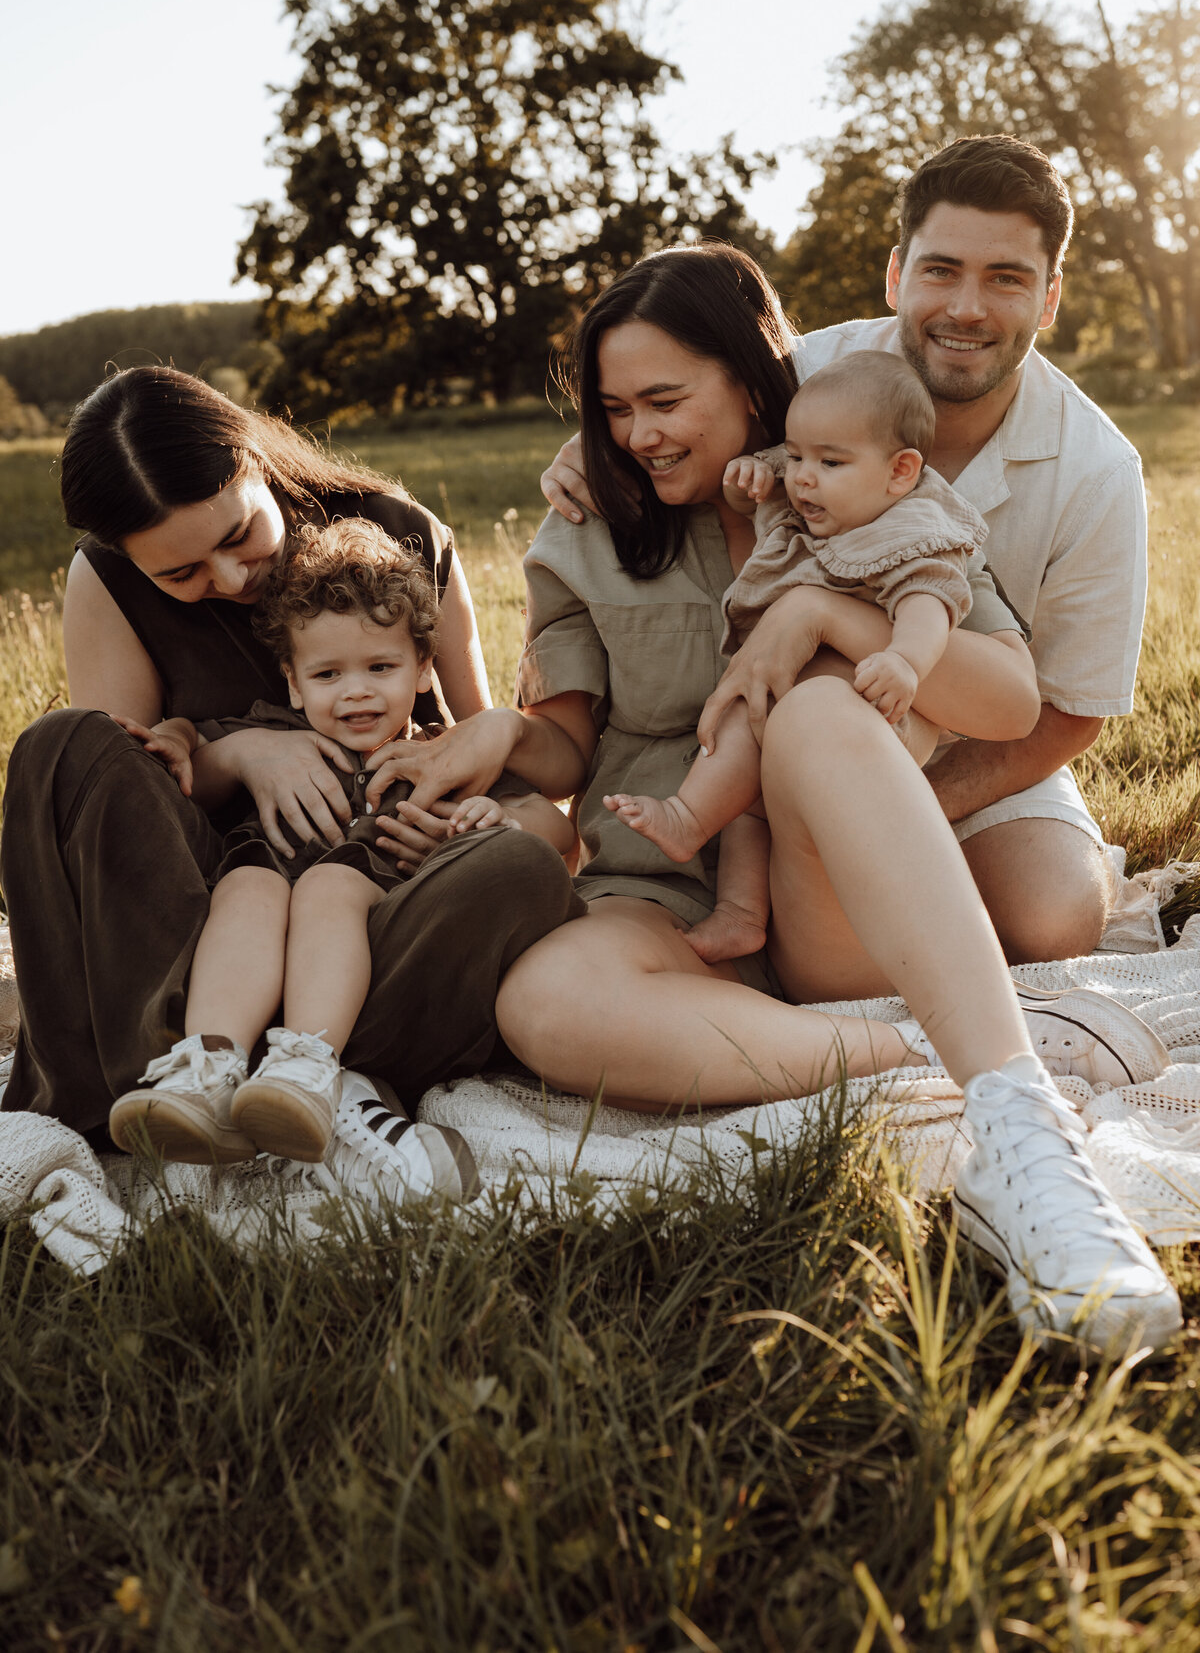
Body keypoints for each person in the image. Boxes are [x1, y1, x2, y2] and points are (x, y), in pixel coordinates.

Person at [375, 242, 1179, 1355]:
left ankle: (1021, 1125)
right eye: (614, 410)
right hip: (659, 892)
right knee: (546, 1006)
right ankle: (932, 1054)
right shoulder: (583, 531)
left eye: (665, 400)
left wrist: (830, 620)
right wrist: (500, 733)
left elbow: (1008, 698)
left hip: (823, 896)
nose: (639, 434)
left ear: (755, 381)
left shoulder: (866, 490)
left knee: (809, 714)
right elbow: (567, 743)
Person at [542, 137, 1142, 968]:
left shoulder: (1097, 469)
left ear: (1049, 301)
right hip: (813, 725)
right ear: (897, 276)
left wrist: (888, 811)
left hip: (983, 746)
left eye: (1006, 277)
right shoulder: (810, 371)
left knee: (1050, 921)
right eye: (940, 270)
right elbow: (677, 397)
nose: (966, 307)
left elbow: (1070, 711)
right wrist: (589, 449)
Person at [0, 366, 583, 1204]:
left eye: (239, 536)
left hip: (375, 926)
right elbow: (131, 796)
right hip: (205, 929)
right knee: (61, 744)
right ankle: (185, 1068)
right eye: (184, 574)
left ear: (254, 460)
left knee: (514, 865)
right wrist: (240, 754)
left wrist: (460, 827)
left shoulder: (399, 539)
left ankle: (312, 1073)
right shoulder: (109, 579)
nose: (233, 581)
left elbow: (497, 758)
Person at [108, 517, 575, 1167]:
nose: (355, 689)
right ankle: (207, 1069)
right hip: (265, 909)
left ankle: (306, 1067)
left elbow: (555, 824)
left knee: (328, 884)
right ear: (294, 683)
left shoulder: (441, 754)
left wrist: (483, 819)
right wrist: (181, 740)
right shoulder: (272, 732)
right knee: (247, 884)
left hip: (373, 938)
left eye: (380, 666)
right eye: (327, 675)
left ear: (421, 669)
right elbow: (197, 750)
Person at [603, 349, 996, 963]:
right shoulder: (814, 501)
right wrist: (752, 485)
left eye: (829, 462)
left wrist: (906, 663)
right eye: (795, 457)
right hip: (783, 700)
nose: (804, 477)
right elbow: (762, 512)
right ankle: (740, 913)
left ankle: (687, 815)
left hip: (856, 708)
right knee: (747, 785)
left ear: (901, 471)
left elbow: (931, 605)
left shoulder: (913, 530)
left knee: (746, 754)